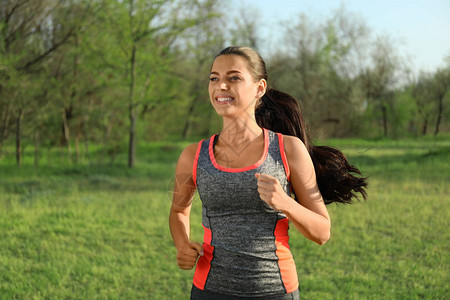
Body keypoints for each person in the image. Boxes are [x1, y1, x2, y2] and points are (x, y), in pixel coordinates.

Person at [169, 46, 367, 299]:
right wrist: (182, 244)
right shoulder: (193, 155)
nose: (221, 86)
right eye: (214, 78)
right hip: (209, 290)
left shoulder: (287, 150)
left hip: (275, 290)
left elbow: (322, 232)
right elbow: (178, 211)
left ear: (259, 88)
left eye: (234, 78)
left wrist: (285, 203)